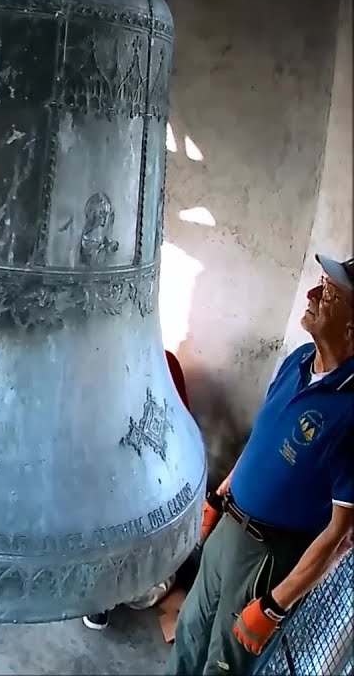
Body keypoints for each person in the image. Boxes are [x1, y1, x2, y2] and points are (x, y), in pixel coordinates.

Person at [166, 254, 354, 675]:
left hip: (270, 557)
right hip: (230, 528)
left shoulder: (350, 409)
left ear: (351, 326)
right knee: (191, 631)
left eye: (329, 293)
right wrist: (220, 495)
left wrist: (274, 604)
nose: (311, 294)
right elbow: (261, 444)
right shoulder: (299, 361)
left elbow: (341, 534)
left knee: (224, 663)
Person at [82, 349, 194, 630]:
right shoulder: (105, 368)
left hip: (148, 473)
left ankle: (104, 591)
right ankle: (103, 591)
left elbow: (177, 426)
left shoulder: (164, 364)